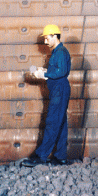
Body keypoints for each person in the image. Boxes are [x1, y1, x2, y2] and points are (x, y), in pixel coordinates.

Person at [20, 24, 71, 166]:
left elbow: (61, 72)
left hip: (60, 90)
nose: (45, 42)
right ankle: (60, 157)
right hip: (58, 90)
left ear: (55, 36)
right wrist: (43, 71)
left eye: (47, 38)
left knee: (52, 122)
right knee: (60, 124)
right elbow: (57, 70)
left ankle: (40, 156)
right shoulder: (57, 52)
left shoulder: (60, 51)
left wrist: (44, 74)